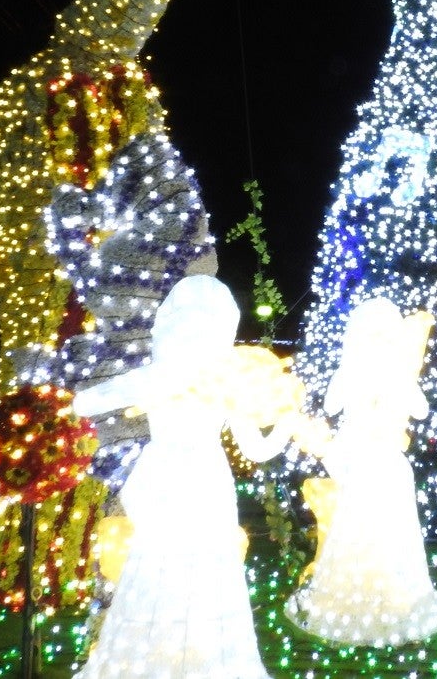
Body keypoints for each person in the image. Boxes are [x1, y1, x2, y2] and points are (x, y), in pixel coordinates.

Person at [72, 274, 298, 679]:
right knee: (189, 568)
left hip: (181, 477)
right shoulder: (216, 379)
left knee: (166, 566)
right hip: (195, 478)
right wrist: (287, 423)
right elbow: (257, 450)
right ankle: (194, 660)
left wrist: (285, 419)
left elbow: (85, 401)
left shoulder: (178, 376)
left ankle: (158, 660)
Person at [285, 297, 437, 645]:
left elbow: (420, 410)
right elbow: (331, 405)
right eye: (370, 335)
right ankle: (355, 598)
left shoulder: (397, 375)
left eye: (382, 336)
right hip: (361, 461)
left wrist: (397, 384)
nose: (376, 342)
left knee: (391, 529)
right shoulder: (349, 374)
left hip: (386, 463)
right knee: (358, 528)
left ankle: (394, 598)